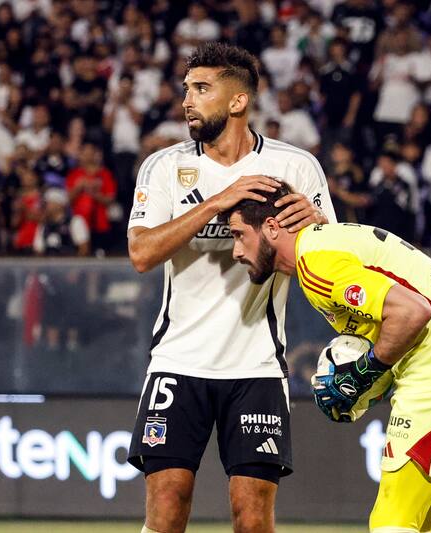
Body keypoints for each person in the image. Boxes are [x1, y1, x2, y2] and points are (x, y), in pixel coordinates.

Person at [125, 43, 335, 533]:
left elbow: (328, 255)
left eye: (201, 89)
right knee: (169, 502)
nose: (187, 101)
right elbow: (141, 253)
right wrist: (219, 200)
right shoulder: (163, 167)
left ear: (238, 101)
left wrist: (318, 224)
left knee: (252, 516)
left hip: (256, 364)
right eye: (186, 90)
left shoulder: (297, 167)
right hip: (178, 360)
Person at [221, 183, 431, 533]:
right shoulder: (323, 244)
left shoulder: (317, 263)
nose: (235, 251)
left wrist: (364, 372)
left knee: (391, 522)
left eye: (238, 235)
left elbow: (414, 313)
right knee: (415, 524)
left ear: (272, 227)